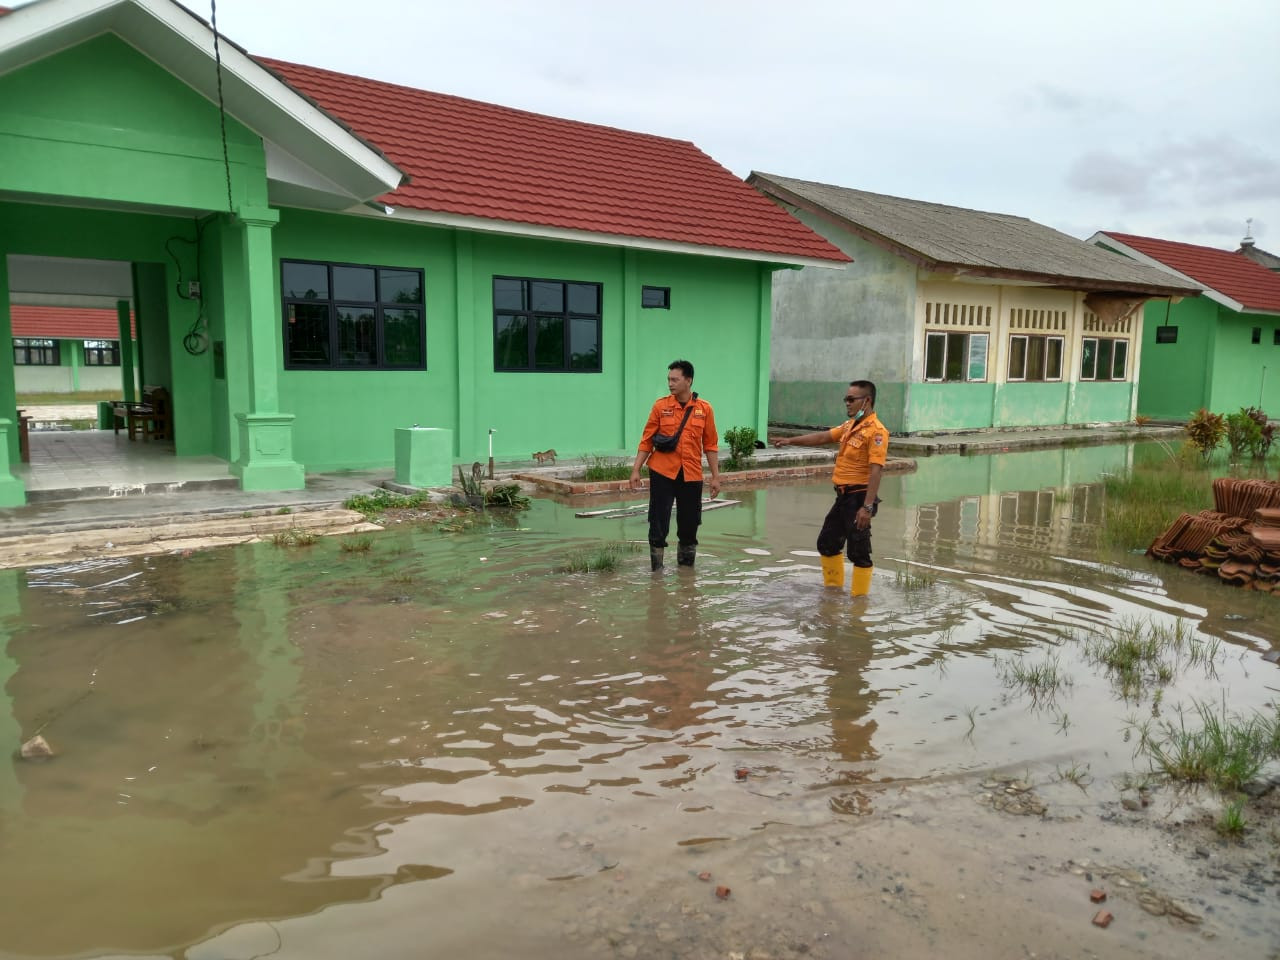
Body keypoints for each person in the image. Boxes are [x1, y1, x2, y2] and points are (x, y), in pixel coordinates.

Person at [772, 380, 888, 596]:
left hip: (859, 498)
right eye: (846, 399)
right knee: (827, 543)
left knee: (859, 553)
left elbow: (876, 471)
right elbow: (823, 437)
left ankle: (858, 605)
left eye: (852, 399)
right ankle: (833, 594)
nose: (847, 403)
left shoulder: (877, 432)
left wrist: (867, 508)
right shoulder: (849, 426)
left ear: (867, 401)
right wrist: (790, 440)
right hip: (843, 497)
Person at [630, 360, 721, 570]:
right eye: (669, 379)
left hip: (691, 475)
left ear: (688, 381)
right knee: (658, 522)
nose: (670, 383)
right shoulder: (661, 406)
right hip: (663, 473)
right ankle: (657, 574)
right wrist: (636, 469)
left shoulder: (704, 409)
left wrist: (716, 477)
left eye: (675, 379)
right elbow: (646, 440)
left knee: (689, 524)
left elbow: (710, 445)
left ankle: (686, 576)